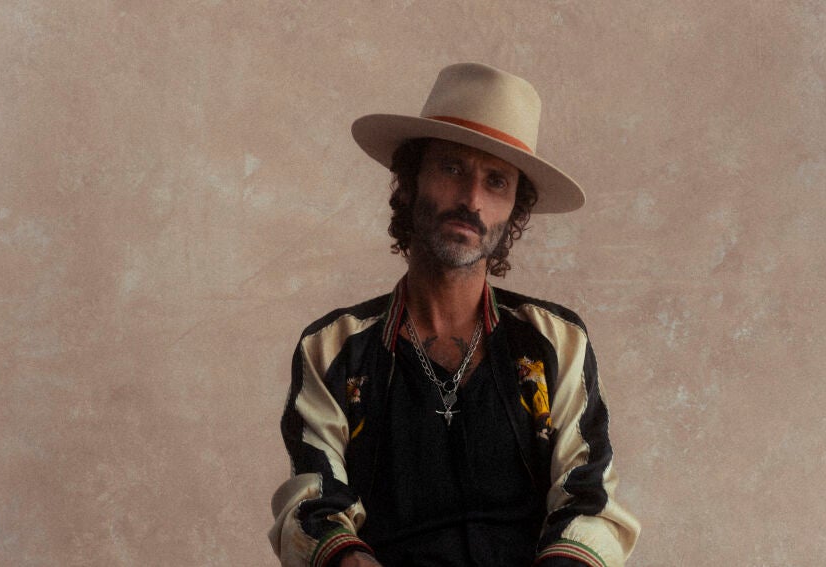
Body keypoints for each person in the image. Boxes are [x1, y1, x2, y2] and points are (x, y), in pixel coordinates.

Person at [269, 63, 640, 567]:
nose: (471, 200)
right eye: (451, 168)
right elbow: (313, 502)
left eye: (496, 182)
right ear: (408, 182)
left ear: (514, 211)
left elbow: (588, 499)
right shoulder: (334, 347)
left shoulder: (557, 340)